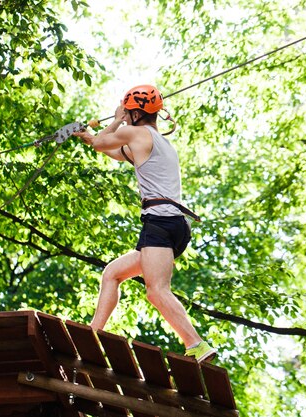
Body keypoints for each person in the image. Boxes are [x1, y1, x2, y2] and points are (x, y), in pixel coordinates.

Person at [72, 85, 216, 363]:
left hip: (160, 224)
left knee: (156, 290)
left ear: (136, 113)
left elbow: (106, 142)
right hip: (171, 226)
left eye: (128, 113)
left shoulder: (133, 132)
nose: (125, 118)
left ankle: (196, 344)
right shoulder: (157, 141)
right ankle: (93, 333)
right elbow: (111, 151)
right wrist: (87, 137)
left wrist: (115, 119)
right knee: (112, 273)